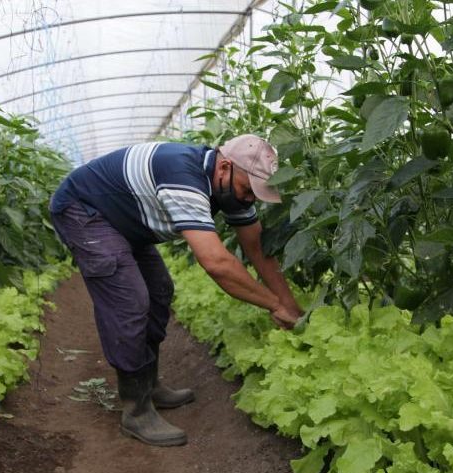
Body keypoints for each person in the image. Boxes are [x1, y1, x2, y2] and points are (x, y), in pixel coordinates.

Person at [49, 134, 303, 447]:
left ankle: (149, 384)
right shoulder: (182, 176)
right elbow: (216, 263)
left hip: (125, 220)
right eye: (248, 190)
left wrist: (291, 307)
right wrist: (274, 305)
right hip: (84, 212)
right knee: (129, 301)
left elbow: (258, 249)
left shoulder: (229, 190)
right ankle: (136, 410)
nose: (250, 199)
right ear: (224, 167)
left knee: (158, 291)